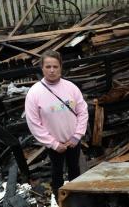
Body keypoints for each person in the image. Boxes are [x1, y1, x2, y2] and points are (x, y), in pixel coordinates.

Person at [25, 50, 88, 199]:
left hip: (73, 141)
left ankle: (76, 196)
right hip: (55, 145)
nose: (52, 70)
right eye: (48, 67)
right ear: (42, 68)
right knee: (57, 172)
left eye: (55, 66)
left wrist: (77, 136)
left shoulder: (71, 88)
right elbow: (34, 123)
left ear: (61, 67)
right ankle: (59, 198)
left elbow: (82, 111)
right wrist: (53, 144)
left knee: (74, 169)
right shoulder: (34, 93)